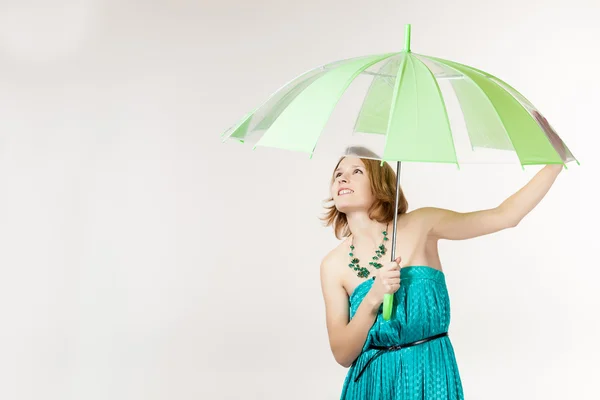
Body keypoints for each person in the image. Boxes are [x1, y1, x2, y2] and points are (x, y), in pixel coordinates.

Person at [319, 138, 566, 399]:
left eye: (356, 171)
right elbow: (342, 353)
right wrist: (373, 298)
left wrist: (555, 164)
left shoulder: (422, 223)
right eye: (338, 174)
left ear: (380, 181)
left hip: (432, 375)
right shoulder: (333, 265)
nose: (342, 179)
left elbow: (504, 216)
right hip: (373, 386)